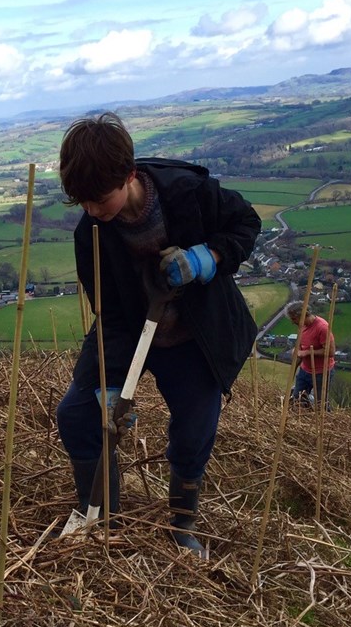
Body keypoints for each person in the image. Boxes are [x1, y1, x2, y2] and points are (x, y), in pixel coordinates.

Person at [55, 112, 260, 556]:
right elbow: (108, 312)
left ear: (129, 175)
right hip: (131, 331)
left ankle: (182, 526)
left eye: (99, 199)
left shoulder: (188, 193)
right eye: (82, 203)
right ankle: (99, 514)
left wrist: (209, 256)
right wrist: (110, 385)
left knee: (193, 432)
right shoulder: (91, 232)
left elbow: (246, 223)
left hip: (195, 336)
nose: (92, 211)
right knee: (76, 412)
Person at [287, 301, 336, 410]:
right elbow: (301, 346)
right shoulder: (302, 326)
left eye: (294, 319)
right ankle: (305, 420)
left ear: (303, 315)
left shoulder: (322, 327)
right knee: (298, 398)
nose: (292, 322)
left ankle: (326, 423)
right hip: (305, 371)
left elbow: (331, 351)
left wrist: (308, 352)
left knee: (321, 404)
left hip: (322, 372)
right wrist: (297, 352)